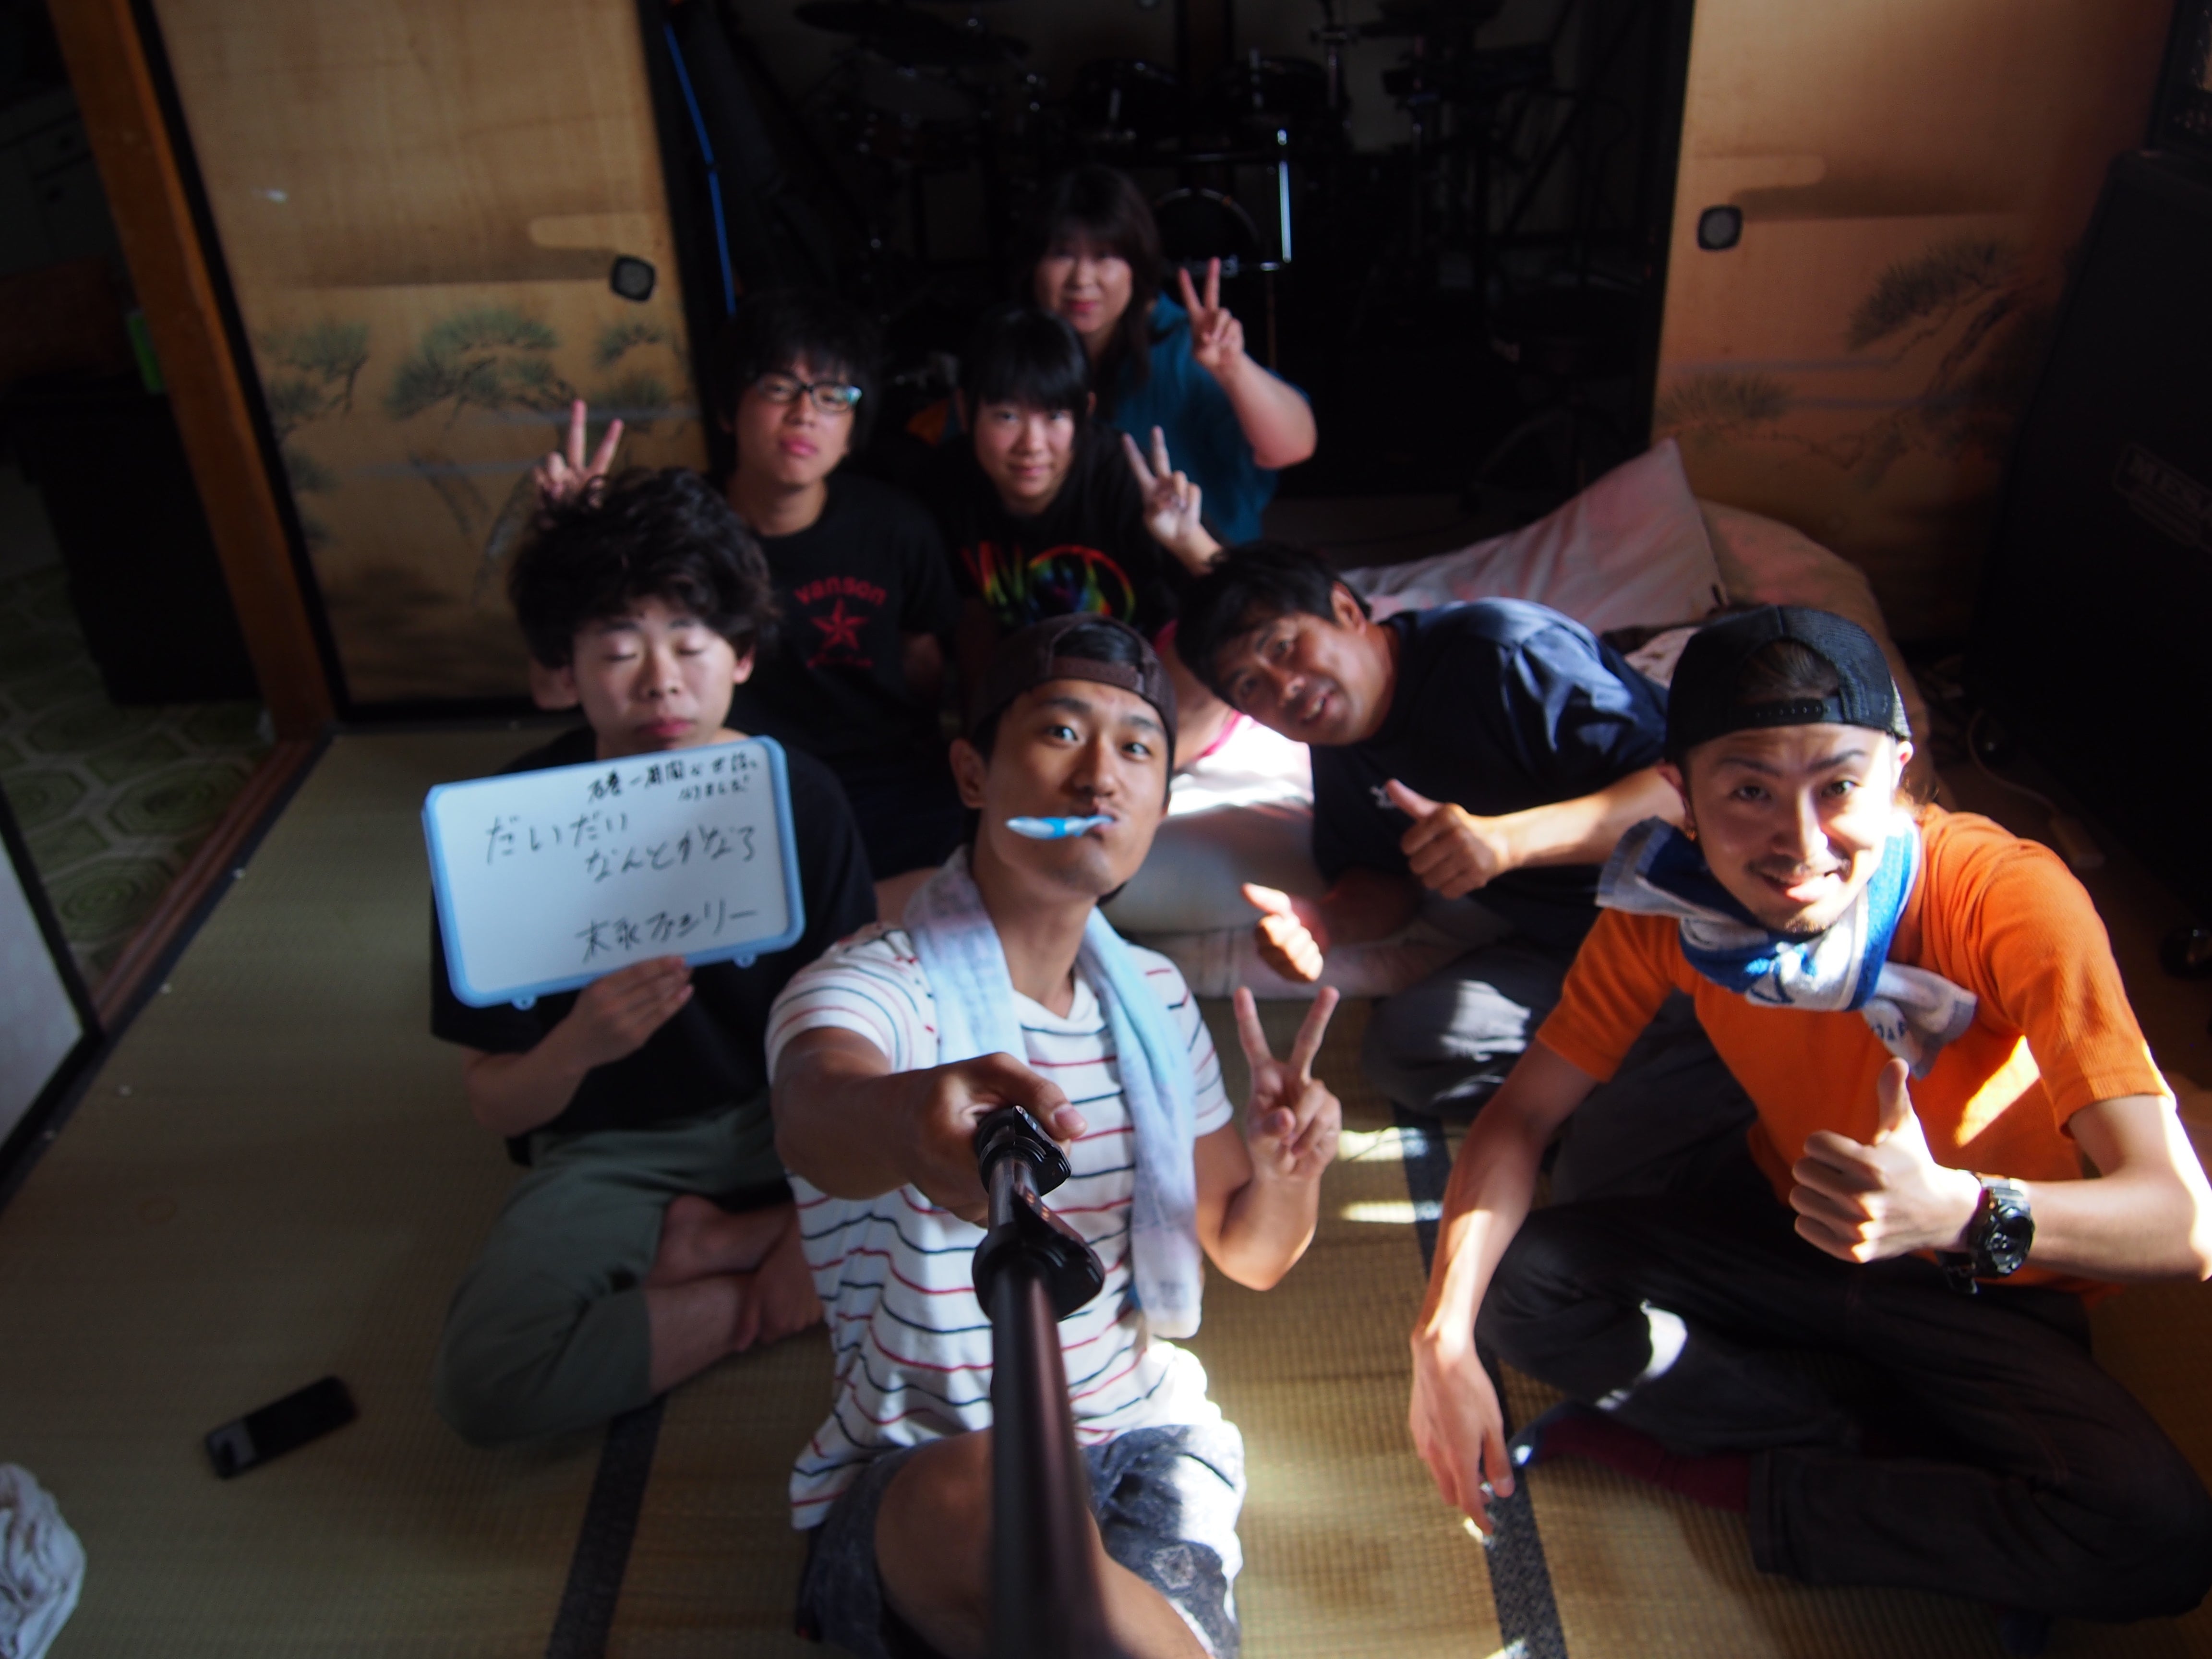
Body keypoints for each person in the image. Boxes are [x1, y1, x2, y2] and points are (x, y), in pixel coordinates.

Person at [1406, 605, 2212, 1645]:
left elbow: (2180, 1223)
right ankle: (1863, 1444)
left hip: (1983, 1278)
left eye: (1838, 786)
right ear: (1681, 796)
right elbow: (1521, 1114)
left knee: (2155, 1536)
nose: (1798, 841)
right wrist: (1440, 1332)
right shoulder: (1670, 907)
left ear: (1899, 775)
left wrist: (1957, 1213)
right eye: (1747, 791)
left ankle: (1754, 1472)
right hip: (1789, 1219)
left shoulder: (2004, 898)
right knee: (1518, 1280)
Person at [768, 615, 1343, 1659]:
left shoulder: (1155, 999)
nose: (1099, 777)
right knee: (1001, 1504)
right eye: (1061, 732)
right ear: (973, 774)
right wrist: (907, 1123)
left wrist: (1286, 1171)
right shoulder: (876, 984)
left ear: (1160, 802)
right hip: (930, 1465)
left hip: (1136, 1448)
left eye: (1137, 749)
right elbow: (814, 1107)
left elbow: (1252, 1253)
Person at [429, 468, 876, 1447]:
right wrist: (578, 1046)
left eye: (690, 641)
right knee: (486, 1379)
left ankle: (724, 1243)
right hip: (612, 1147)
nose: (660, 679)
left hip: (788, 1118)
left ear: (742, 655)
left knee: (1001, 1187)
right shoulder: (503, 829)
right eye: (620, 649)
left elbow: (858, 1027)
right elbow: (496, 1103)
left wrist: (832, 1183)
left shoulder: (798, 796)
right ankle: (751, 1286)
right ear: (565, 670)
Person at [1177, 542, 1745, 1194]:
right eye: (1251, 687)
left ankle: (1672, 1091)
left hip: (1693, 919)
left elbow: (1683, 795)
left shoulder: (1503, 654)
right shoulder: (1341, 749)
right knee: (1411, 1048)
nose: (1285, 688)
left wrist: (1507, 844)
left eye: (1282, 647)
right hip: (1572, 948)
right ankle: (1645, 1091)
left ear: (1345, 609)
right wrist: (1323, 924)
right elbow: (1382, 885)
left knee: (1602, 1171)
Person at [534, 289, 963, 890]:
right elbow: (552, 688)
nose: (804, 414)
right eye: (779, 387)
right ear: (728, 408)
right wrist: (570, 544)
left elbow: (925, 667)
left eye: (832, 396)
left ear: (853, 429)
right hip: (717, 779)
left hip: (881, 783)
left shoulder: (897, 526)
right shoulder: (670, 532)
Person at [929, 304, 1229, 760]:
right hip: (1042, 688)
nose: (1032, 445)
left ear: (1084, 412)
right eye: (1007, 416)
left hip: (1148, 675)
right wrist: (981, 747)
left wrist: (1187, 541)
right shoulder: (947, 485)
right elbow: (975, 625)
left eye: (1054, 417)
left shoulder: (1123, 479)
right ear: (966, 412)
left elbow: (1240, 596)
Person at [1023, 164, 1315, 544]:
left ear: (1136, 264)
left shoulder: (1182, 345)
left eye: (1104, 255)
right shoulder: (1013, 345)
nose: (1082, 279)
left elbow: (1294, 446)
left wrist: (1233, 369)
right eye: (1062, 254)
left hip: (1199, 564)